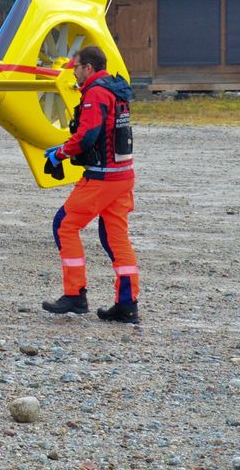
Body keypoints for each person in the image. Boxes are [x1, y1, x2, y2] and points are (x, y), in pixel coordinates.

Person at [41, 45, 140, 324]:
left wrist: (59, 153)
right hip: (123, 176)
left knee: (64, 225)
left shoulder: (95, 93)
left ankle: (75, 294)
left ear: (89, 68)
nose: (73, 71)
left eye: (76, 66)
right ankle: (127, 304)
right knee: (116, 239)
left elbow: (87, 135)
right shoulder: (117, 89)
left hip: (102, 178)